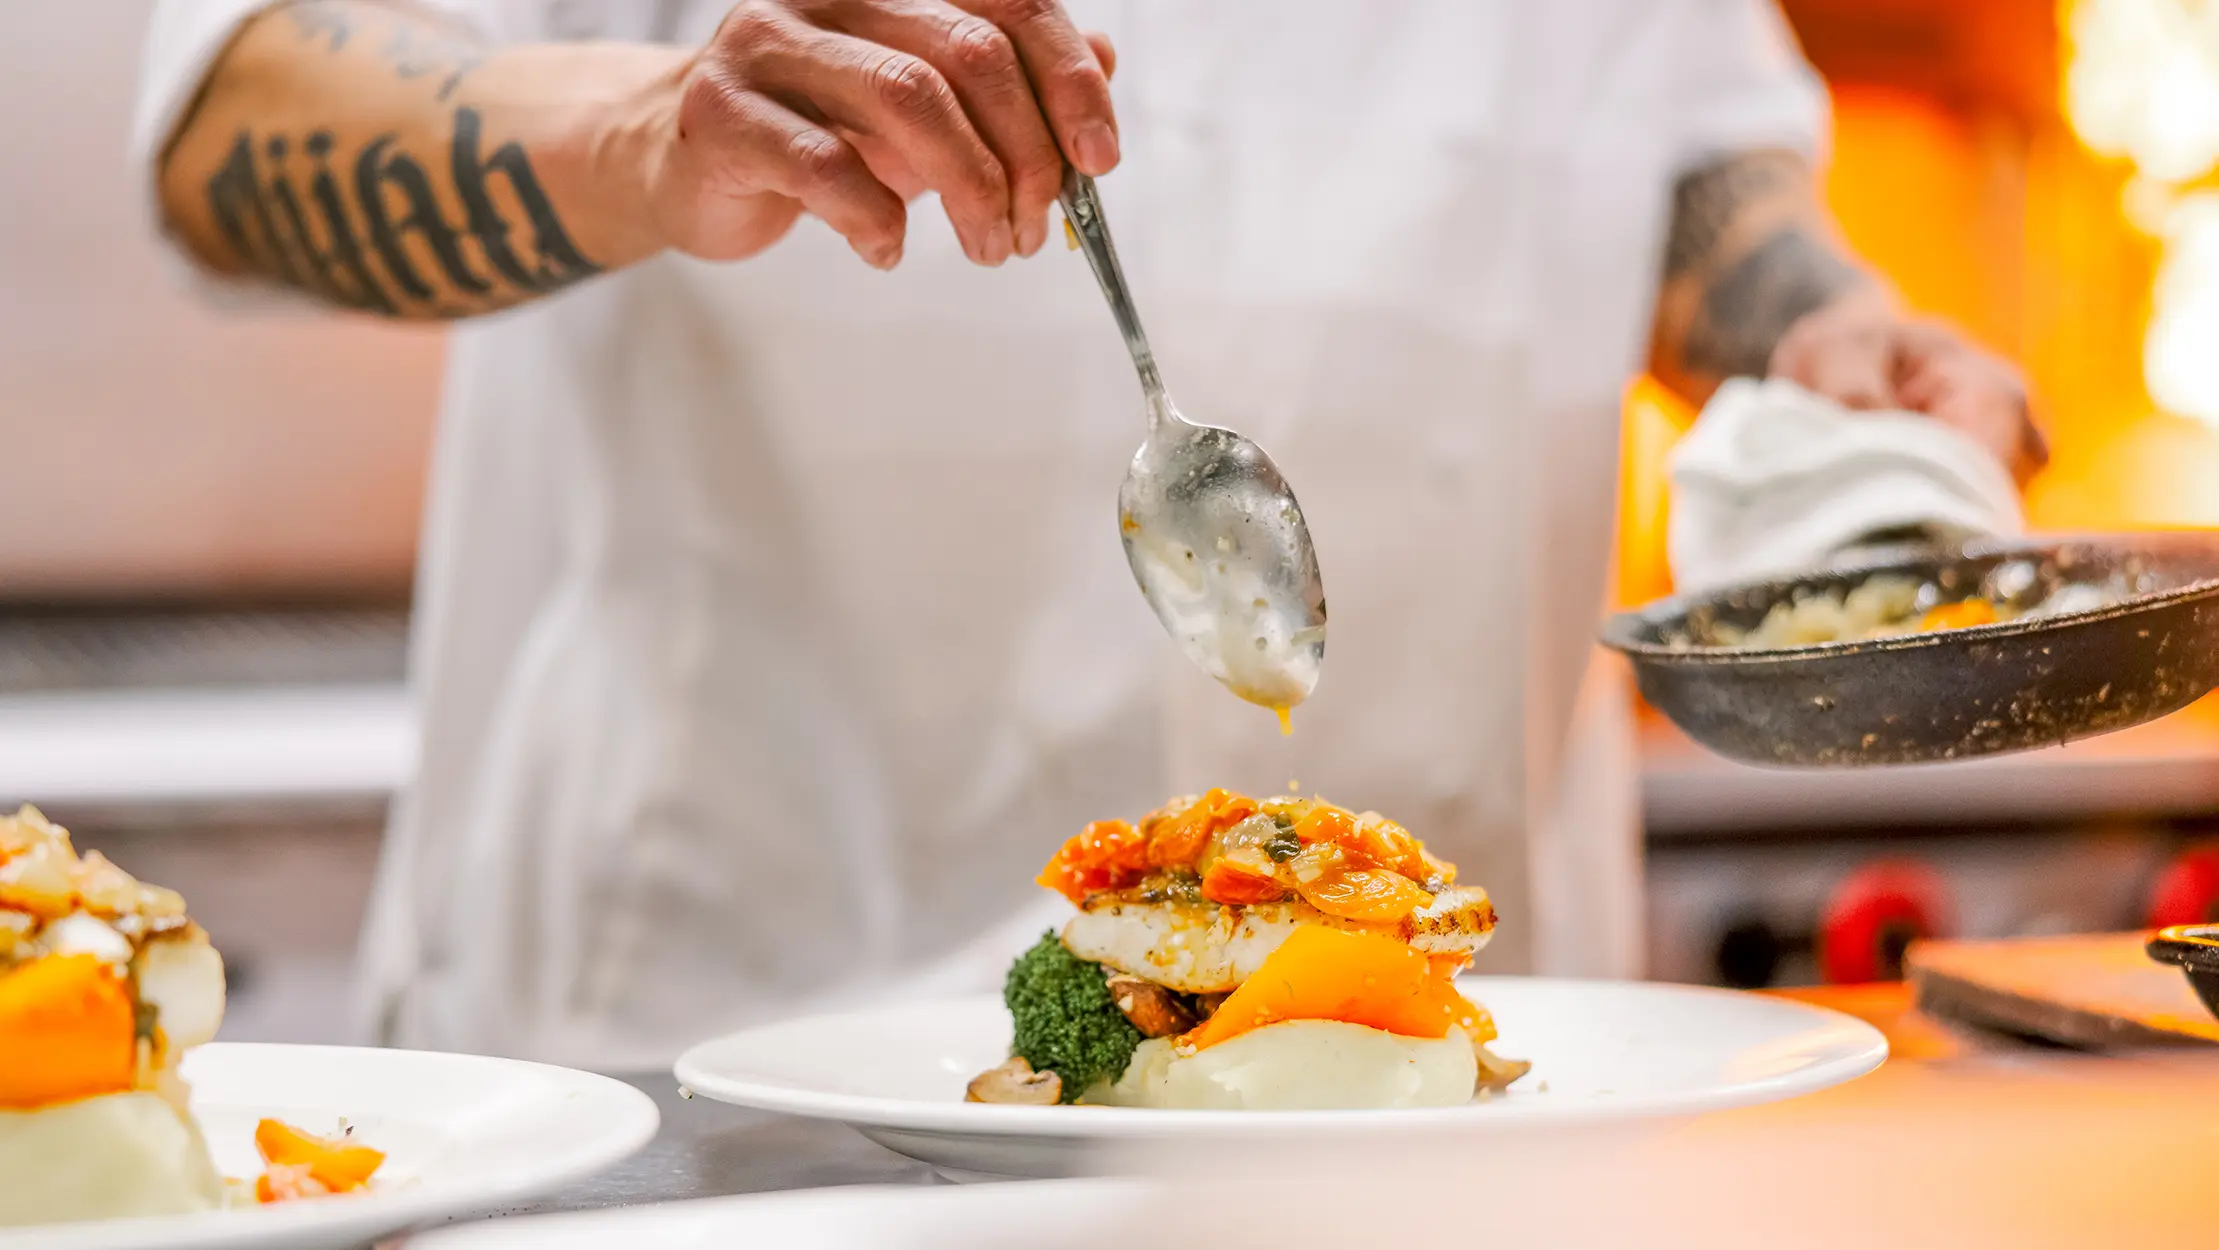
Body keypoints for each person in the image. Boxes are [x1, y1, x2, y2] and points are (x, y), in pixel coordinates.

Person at [135, 0, 2043, 1069]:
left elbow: (1690, 142)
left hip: (1447, 1087)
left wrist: (1805, 327)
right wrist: (647, 125)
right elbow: (233, 121)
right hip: (736, 1076)